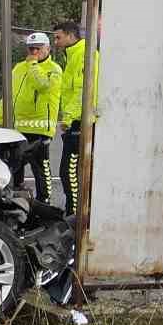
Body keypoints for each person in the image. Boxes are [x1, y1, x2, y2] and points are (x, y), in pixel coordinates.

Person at [0, 32, 62, 203]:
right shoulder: (19, 67)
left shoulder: (53, 69)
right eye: (31, 48)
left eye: (38, 48)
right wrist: (2, 117)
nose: (33, 52)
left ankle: (44, 200)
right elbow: (9, 93)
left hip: (39, 128)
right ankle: (17, 194)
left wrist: (33, 64)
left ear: (48, 48)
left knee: (40, 167)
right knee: (13, 163)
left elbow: (42, 85)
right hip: (17, 127)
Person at [52, 19, 100, 217]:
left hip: (82, 122)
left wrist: (72, 120)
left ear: (71, 36)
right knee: (72, 171)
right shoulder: (73, 56)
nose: (55, 41)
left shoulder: (84, 55)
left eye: (58, 37)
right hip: (75, 122)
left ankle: (75, 214)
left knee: (69, 172)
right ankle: (76, 212)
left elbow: (83, 92)